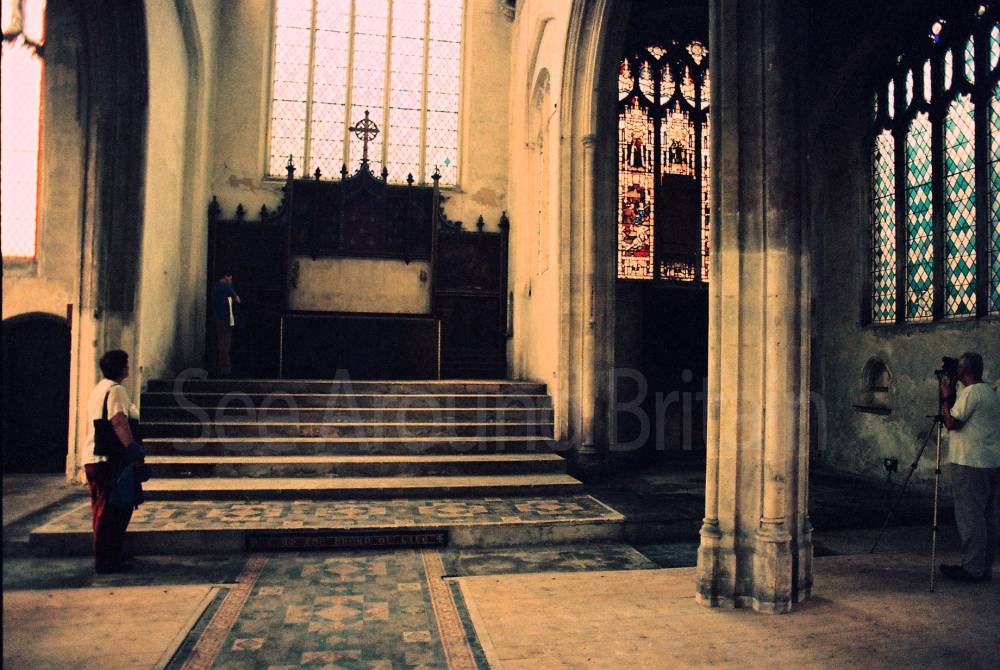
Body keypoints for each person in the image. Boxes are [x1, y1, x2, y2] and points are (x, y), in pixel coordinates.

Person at [939, 351, 1000, 583]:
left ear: (962, 371)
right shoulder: (989, 392)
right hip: (991, 462)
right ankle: (984, 567)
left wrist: (946, 397)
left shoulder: (971, 392)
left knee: (971, 518)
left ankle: (972, 569)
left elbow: (951, 422)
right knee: (987, 517)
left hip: (970, 463)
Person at [84, 349, 141, 573]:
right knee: (112, 510)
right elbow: (118, 421)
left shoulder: (99, 389)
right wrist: (133, 451)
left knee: (104, 508)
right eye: (126, 364)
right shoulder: (116, 390)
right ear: (121, 368)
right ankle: (106, 560)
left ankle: (110, 554)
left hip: (93, 456)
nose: (128, 367)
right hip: (107, 458)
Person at [210, 270, 241, 377]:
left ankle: (219, 367)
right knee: (225, 343)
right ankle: (225, 369)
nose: (231, 281)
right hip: (225, 319)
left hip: (218, 318)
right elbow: (238, 299)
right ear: (227, 277)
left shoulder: (215, 287)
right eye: (230, 278)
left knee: (220, 342)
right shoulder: (226, 287)